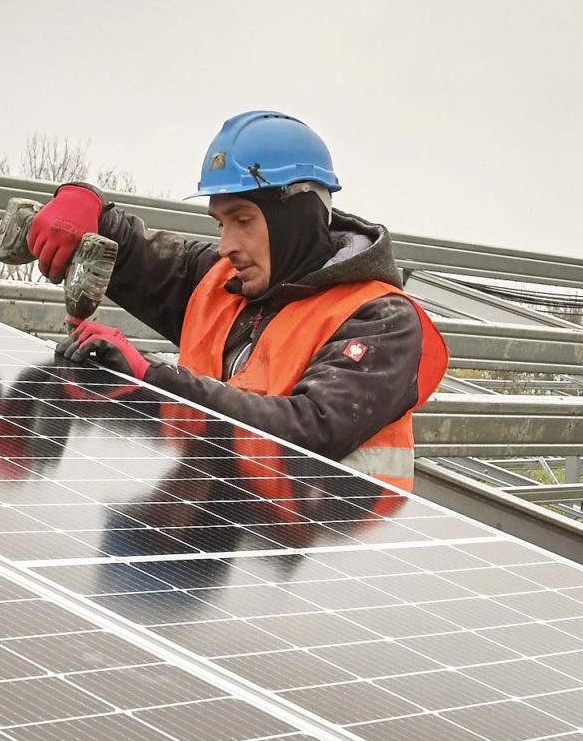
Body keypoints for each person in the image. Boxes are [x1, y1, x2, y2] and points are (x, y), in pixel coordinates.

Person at [23, 109, 446, 491]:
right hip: (223, 527)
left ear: (295, 220)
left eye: (243, 220)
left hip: (332, 560)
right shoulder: (228, 283)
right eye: (221, 223)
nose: (227, 246)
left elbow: (310, 432)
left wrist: (153, 381)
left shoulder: (380, 318)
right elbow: (140, 256)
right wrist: (87, 208)